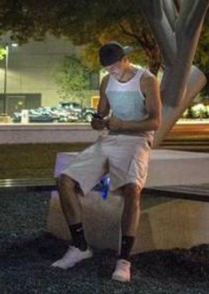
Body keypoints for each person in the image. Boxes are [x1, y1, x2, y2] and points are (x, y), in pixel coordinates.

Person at [51, 41, 161, 283]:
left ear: (124, 59)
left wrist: (124, 125)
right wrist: (97, 121)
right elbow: (100, 114)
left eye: (113, 66)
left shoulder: (146, 79)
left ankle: (124, 260)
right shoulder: (106, 82)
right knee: (65, 180)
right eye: (107, 68)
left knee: (132, 189)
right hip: (110, 139)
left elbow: (155, 122)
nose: (110, 71)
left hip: (137, 140)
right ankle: (80, 247)